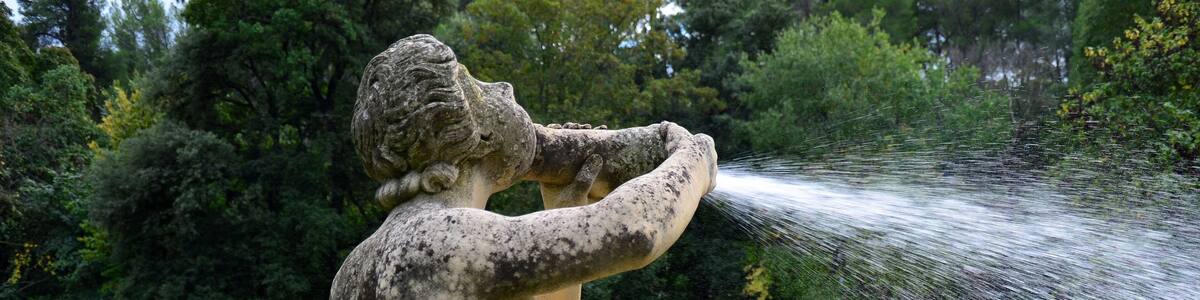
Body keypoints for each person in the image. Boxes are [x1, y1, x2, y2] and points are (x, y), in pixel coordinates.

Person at [331, 34, 717, 299]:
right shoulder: (442, 240)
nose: (503, 87)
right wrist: (694, 161)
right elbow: (636, 230)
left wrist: (564, 213)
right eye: (477, 86)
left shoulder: (352, 271)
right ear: (471, 131)